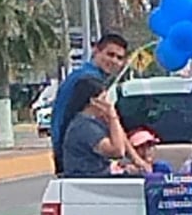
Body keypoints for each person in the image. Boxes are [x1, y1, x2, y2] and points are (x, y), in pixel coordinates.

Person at [51, 33, 149, 175]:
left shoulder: (88, 76)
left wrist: (136, 159)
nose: (114, 61)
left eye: (119, 58)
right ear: (96, 51)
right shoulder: (87, 79)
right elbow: (115, 141)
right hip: (76, 160)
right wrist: (136, 159)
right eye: (110, 54)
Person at [61, 77, 127, 177]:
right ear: (94, 101)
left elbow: (122, 143)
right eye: (104, 98)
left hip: (99, 174)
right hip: (88, 179)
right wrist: (113, 116)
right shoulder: (84, 127)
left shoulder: (94, 121)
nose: (108, 103)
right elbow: (117, 151)